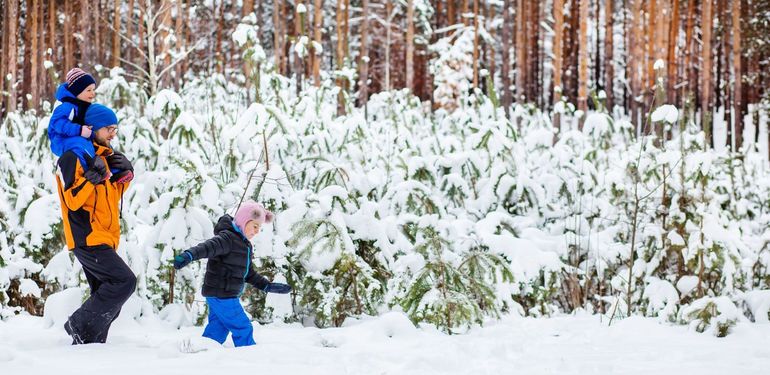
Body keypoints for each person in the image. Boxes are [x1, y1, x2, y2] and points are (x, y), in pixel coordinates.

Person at [57, 104, 136, 344]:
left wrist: (125, 178)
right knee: (124, 281)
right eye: (109, 128)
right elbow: (72, 200)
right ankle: (77, 325)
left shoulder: (102, 157)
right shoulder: (72, 156)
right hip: (87, 236)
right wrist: (92, 177)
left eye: (115, 129)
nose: (113, 134)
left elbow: (108, 199)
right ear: (92, 128)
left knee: (106, 296)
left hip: (105, 237)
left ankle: (90, 346)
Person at [173, 201, 291, 347]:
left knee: (217, 330)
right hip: (223, 295)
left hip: (218, 294)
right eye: (255, 226)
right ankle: (248, 355)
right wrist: (189, 255)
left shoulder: (244, 246)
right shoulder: (227, 238)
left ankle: (204, 352)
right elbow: (207, 248)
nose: (256, 231)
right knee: (243, 327)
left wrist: (267, 286)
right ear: (244, 221)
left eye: (259, 228)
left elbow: (249, 274)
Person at [49, 68, 97, 162]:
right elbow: (57, 123)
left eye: (93, 90)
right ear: (77, 91)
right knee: (81, 145)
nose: (93, 93)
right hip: (60, 140)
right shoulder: (66, 106)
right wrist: (79, 130)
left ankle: (114, 171)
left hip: (75, 138)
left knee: (98, 145)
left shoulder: (83, 106)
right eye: (89, 90)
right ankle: (87, 172)